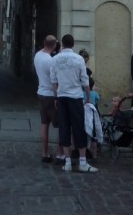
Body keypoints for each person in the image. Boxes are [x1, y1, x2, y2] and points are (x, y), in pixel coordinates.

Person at [50, 33, 98, 173]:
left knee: (64, 127)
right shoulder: (79, 59)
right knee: (78, 127)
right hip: (76, 97)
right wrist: (88, 96)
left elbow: (54, 82)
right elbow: (85, 80)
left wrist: (55, 97)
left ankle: (68, 161)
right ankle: (83, 161)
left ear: (62, 44)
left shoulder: (55, 59)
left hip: (62, 96)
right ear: (73, 44)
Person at [33, 34, 62, 163]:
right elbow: (55, 80)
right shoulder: (51, 61)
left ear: (44, 43)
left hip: (41, 93)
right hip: (51, 95)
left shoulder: (38, 55)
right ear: (54, 45)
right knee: (61, 125)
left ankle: (44, 153)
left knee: (44, 124)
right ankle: (59, 152)